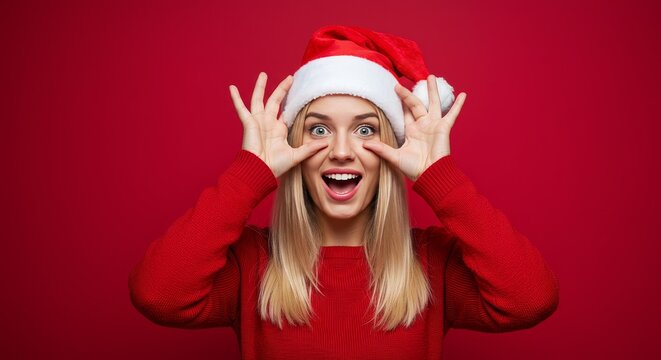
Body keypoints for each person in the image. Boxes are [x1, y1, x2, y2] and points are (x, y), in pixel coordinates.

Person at [129, 25, 560, 359]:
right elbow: (158, 294)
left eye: (365, 130)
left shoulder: (432, 264)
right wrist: (250, 171)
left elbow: (531, 300)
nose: (340, 151)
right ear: (295, 146)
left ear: (390, 149)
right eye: (318, 129)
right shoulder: (252, 265)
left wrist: (439, 175)